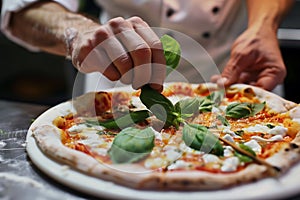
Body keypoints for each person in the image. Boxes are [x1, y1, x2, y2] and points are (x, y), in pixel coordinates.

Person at [0, 0, 294, 94]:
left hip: (238, 76)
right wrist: (79, 33)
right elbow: (23, 8)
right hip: (118, 85)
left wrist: (263, 25)